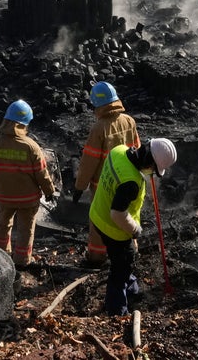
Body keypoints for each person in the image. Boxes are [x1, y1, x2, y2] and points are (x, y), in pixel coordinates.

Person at [89, 138, 177, 316]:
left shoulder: (118, 150)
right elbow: (118, 214)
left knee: (125, 260)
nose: (152, 173)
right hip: (114, 229)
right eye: (154, 169)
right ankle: (117, 311)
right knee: (120, 267)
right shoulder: (131, 182)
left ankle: (132, 289)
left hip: (97, 215)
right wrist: (135, 230)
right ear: (149, 161)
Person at [0, 99, 55, 268]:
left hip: (4, 197)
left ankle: (1, 258)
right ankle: (22, 261)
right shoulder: (31, 146)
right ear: (24, 124)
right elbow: (42, 173)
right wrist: (49, 191)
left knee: (2, 225)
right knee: (26, 229)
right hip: (28, 199)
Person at [74, 81, 141, 265]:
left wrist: (80, 186)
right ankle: (132, 250)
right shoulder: (129, 121)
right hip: (127, 180)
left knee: (99, 219)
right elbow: (138, 150)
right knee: (126, 214)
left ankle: (97, 257)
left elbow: (89, 161)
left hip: (104, 183)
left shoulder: (99, 128)